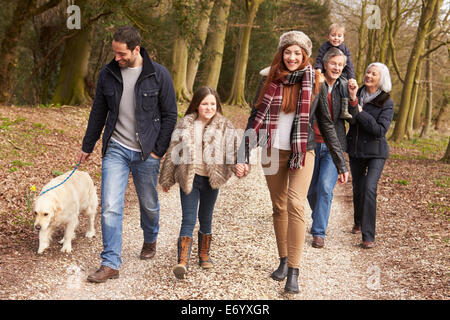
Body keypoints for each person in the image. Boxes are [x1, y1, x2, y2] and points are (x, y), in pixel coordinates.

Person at [235, 31, 349, 294]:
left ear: (305, 55)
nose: (292, 57)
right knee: (279, 206)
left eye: (298, 53)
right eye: (288, 52)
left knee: (296, 203)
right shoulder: (268, 80)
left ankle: (294, 272)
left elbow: (327, 124)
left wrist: (340, 162)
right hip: (272, 151)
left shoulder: (315, 81)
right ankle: (283, 260)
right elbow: (255, 119)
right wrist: (243, 156)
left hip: (303, 151)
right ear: (281, 53)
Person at [79, 26, 178, 283]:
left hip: (147, 152)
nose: (117, 58)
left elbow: (170, 116)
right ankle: (111, 262)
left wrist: (158, 151)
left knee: (148, 204)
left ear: (136, 49)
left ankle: (150, 237)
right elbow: (98, 111)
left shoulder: (159, 75)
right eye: (114, 52)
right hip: (116, 148)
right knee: (110, 205)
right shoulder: (108, 73)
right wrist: (87, 146)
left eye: (121, 54)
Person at [159, 86, 239, 280]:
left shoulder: (224, 126)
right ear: (196, 104)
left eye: (212, 104)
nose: (209, 107)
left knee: (206, 216)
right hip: (190, 178)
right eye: (205, 103)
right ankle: (182, 261)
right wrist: (167, 178)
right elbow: (173, 153)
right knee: (188, 217)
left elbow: (233, 150)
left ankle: (204, 254)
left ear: (217, 105)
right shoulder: (185, 124)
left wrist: (238, 165)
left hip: (211, 180)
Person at [307, 48, 358, 249]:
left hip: (333, 146)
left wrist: (353, 96)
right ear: (325, 64)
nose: (337, 68)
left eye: (340, 65)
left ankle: (319, 232)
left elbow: (353, 117)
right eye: (333, 64)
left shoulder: (345, 86)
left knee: (325, 189)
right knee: (310, 190)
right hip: (311, 143)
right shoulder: (314, 83)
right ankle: (319, 215)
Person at [346, 62, 394, 249]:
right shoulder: (355, 94)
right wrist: (352, 102)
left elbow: (379, 130)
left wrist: (360, 111)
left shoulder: (386, 102)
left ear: (381, 79)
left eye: (374, 74)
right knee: (358, 188)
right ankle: (358, 221)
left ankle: (368, 236)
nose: (369, 76)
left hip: (376, 152)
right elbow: (347, 117)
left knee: (369, 188)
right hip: (356, 149)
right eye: (368, 72)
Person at [314, 23, 356, 120]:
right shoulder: (324, 47)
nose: (336, 38)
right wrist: (319, 69)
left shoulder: (345, 49)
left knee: (344, 84)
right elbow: (320, 59)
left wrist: (351, 78)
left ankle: (344, 108)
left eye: (339, 36)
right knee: (320, 83)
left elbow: (349, 65)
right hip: (324, 72)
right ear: (328, 37)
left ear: (343, 38)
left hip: (342, 74)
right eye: (333, 35)